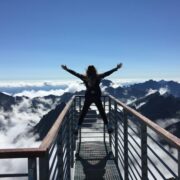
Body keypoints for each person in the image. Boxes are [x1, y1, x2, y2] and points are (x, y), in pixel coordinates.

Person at [61, 63, 123, 134]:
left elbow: (75, 73)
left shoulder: (85, 77)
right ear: (95, 70)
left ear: (87, 71)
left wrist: (66, 69)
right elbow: (107, 73)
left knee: (83, 113)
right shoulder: (98, 77)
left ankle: (77, 127)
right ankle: (108, 126)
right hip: (96, 97)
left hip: (88, 97)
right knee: (102, 112)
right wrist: (116, 68)